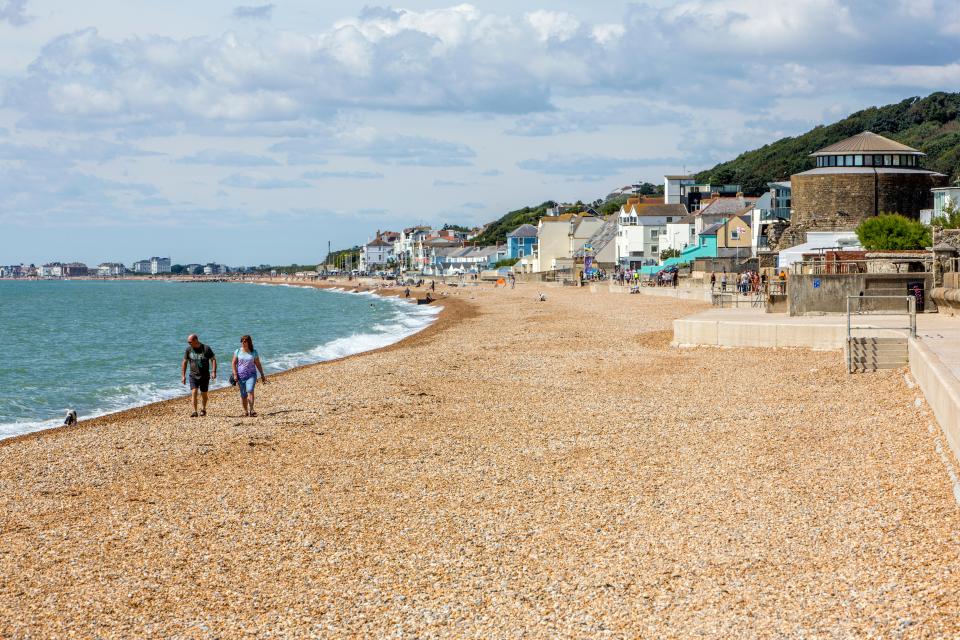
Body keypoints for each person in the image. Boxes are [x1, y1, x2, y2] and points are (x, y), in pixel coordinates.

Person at [181, 334, 216, 417]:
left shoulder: (206, 348)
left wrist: (213, 371)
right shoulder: (188, 350)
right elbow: (185, 362)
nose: (189, 343)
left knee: (204, 394)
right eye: (188, 342)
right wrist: (183, 375)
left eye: (190, 342)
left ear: (196, 340)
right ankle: (194, 411)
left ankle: (203, 409)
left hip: (204, 375)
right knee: (194, 392)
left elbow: (213, 359)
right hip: (193, 375)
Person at [232, 335, 267, 417]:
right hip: (240, 376)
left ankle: (251, 410)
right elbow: (233, 363)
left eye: (245, 341)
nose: (243, 343)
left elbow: (258, 363)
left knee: (250, 390)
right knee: (243, 395)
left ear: (249, 342)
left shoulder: (254, 352)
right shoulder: (237, 351)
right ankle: (245, 411)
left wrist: (262, 374)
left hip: (251, 375)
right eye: (242, 341)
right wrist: (235, 374)